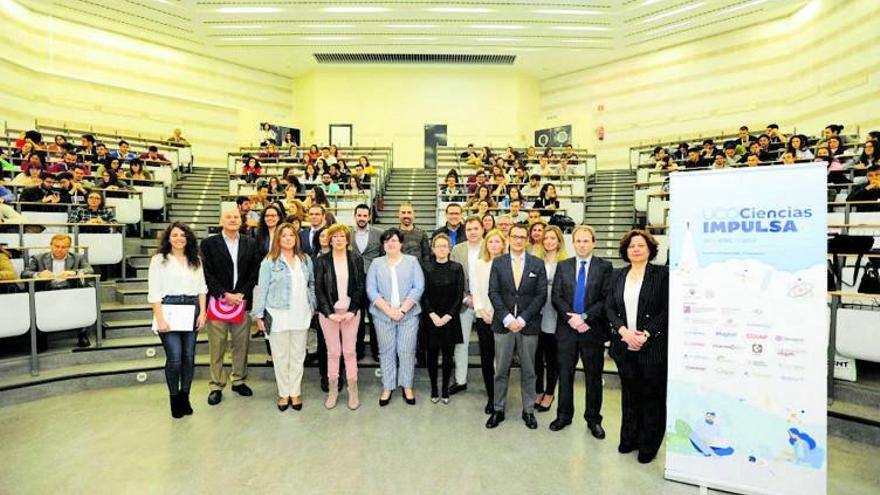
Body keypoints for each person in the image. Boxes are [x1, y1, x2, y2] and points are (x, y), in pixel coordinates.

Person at [605, 229, 669, 464]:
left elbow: (666, 309)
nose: (636, 249)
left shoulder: (662, 275)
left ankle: (648, 444)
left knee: (652, 396)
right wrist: (622, 331)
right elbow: (610, 307)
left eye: (641, 245)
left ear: (650, 249)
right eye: (632, 246)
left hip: (652, 347)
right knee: (630, 395)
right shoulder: (617, 275)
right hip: (624, 346)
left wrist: (647, 334)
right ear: (626, 251)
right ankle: (629, 438)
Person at [547, 225, 613, 438]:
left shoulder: (605, 267)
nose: (582, 245)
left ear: (593, 242)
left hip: (592, 330)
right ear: (573, 243)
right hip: (567, 329)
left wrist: (584, 317)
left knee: (593, 377)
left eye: (586, 241)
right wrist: (572, 318)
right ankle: (563, 415)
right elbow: (556, 296)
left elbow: (606, 299)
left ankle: (593, 419)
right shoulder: (563, 265)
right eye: (578, 241)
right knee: (565, 374)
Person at [486, 224, 547, 430]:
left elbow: (541, 295)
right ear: (509, 238)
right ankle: (498, 409)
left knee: (529, 371)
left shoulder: (537, 264)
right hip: (503, 326)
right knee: (501, 370)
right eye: (515, 236)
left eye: (522, 237)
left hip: (527, 326)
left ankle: (528, 410)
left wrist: (521, 319)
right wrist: (506, 318)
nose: (519, 240)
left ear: (528, 240)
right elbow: (493, 292)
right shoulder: (498, 262)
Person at [200, 208, 261, 406]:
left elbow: (254, 271)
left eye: (236, 217)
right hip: (218, 302)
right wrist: (224, 294)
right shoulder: (209, 244)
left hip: (241, 302)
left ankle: (238, 379)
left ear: (241, 221)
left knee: (241, 344)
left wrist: (241, 293)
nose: (233, 220)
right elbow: (207, 273)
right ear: (221, 221)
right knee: (217, 345)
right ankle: (216, 384)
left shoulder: (250, 243)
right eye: (229, 217)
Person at [251, 223, 315, 411]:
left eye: (291, 235)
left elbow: (311, 284)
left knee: (297, 355)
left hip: (301, 314)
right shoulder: (269, 261)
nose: (288, 238)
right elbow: (261, 289)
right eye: (284, 235)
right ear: (278, 239)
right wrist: (259, 315)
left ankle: (295, 392)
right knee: (280, 357)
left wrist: (312, 306)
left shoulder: (305, 259)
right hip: (277, 315)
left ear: (296, 238)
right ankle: (283, 393)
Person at [147, 223, 208, 418]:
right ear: (168, 238)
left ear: (188, 238)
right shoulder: (159, 260)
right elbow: (154, 291)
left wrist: (203, 313)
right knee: (175, 358)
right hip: (169, 310)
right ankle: (174, 398)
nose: (179, 238)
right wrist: (160, 318)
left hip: (192, 309)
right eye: (174, 235)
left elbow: (202, 289)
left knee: (188, 357)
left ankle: (185, 396)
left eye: (183, 235)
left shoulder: (195, 260)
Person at [366, 228, 425, 406]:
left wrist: (402, 310)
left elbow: (418, 287)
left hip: (408, 315)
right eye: (387, 241)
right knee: (386, 351)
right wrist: (388, 310)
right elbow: (371, 290)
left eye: (394, 240)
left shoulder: (412, 261)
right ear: (383, 245)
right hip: (383, 315)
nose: (391, 244)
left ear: (401, 244)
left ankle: (407, 386)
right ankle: (388, 386)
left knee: (406, 351)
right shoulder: (376, 263)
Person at [314, 224, 365, 410]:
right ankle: (333, 391)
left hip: (351, 313)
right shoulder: (322, 261)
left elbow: (360, 286)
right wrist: (329, 313)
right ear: (329, 240)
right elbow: (318, 289)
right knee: (333, 353)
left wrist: (352, 310)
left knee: (350, 352)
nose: (338, 239)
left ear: (347, 239)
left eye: (342, 236)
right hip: (329, 315)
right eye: (334, 236)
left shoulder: (355, 259)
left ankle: (353, 391)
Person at [21, 234, 94, 349]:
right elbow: (24, 274)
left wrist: (74, 272)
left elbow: (89, 270)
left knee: (85, 294)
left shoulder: (78, 258)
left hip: (70, 290)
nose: (60, 249)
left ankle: (82, 333)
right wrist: (38, 274)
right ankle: (41, 337)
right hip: (47, 292)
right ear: (50, 245)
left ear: (69, 247)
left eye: (64, 247)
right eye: (57, 246)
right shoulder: (38, 258)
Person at [422, 234, 465, 404]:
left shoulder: (457, 268)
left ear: (449, 248)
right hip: (431, 318)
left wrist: (448, 316)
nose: (441, 249)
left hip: (450, 318)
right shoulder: (426, 267)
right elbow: (423, 294)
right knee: (431, 356)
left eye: (444, 246)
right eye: (438, 246)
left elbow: (459, 295)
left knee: (448, 356)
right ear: (433, 249)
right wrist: (432, 314)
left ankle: (445, 389)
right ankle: (434, 388)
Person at [532, 225, 568, 415]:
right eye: (546, 238)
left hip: (555, 314)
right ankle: (538, 389)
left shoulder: (566, 263)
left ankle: (549, 392)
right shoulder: (536, 261)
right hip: (537, 313)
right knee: (537, 355)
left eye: (553, 238)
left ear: (559, 241)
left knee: (552, 357)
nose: (548, 241)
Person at [448, 216, 485, 396]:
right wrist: (465, 298)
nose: (472, 232)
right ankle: (460, 380)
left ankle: (491, 380)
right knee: (460, 344)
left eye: (475, 228)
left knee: (489, 344)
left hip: (486, 305)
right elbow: (453, 278)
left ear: (482, 229)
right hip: (464, 303)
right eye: (469, 229)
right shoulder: (457, 249)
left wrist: (480, 299)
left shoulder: (491, 246)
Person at [350, 204, 383, 360]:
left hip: (373, 282)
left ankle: (377, 351)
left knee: (375, 316)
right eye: (359, 215)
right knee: (357, 317)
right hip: (353, 282)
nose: (362, 218)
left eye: (365, 216)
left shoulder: (379, 234)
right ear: (354, 216)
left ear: (369, 217)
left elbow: (384, 257)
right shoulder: (346, 233)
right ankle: (359, 350)